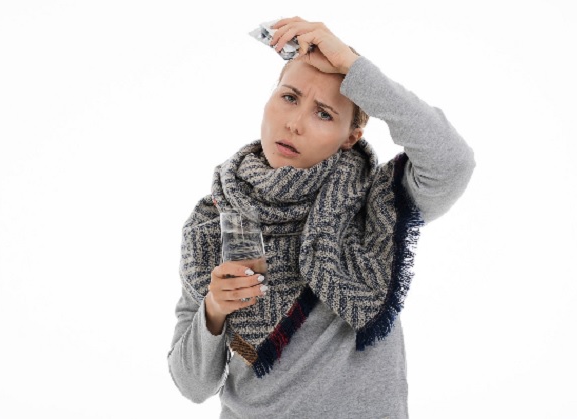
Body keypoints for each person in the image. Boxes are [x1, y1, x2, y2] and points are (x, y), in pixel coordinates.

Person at [168, 17, 475, 419]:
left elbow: (453, 161)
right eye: (289, 97)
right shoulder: (214, 219)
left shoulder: (376, 206)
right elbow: (192, 385)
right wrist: (213, 308)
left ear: (351, 136)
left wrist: (354, 67)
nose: (294, 123)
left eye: (324, 114)